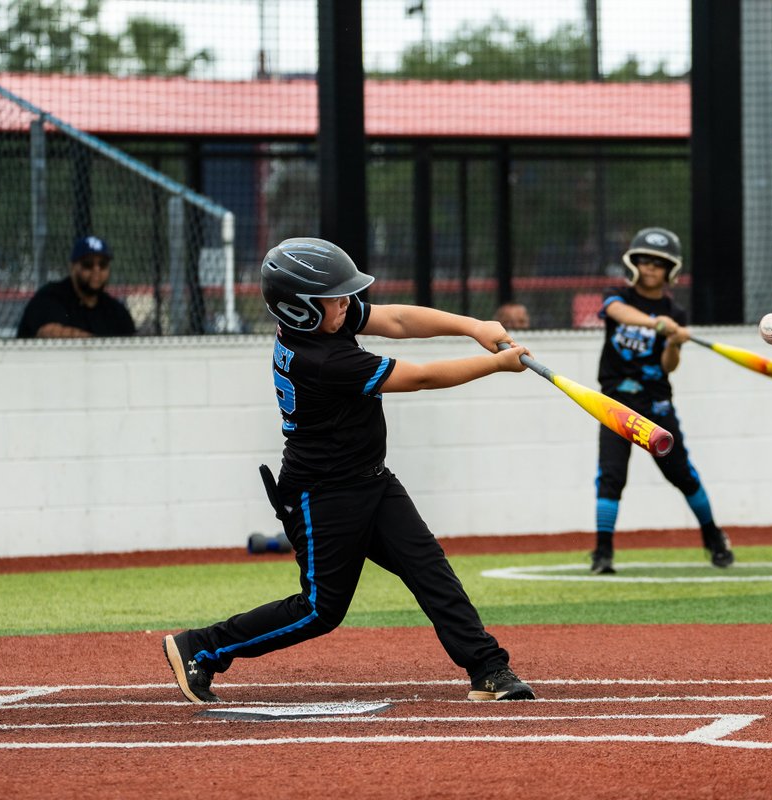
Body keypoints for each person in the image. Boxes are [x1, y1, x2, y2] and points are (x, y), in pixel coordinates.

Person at [163, 237, 536, 704]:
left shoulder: (326, 322)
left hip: (370, 479)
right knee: (321, 610)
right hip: (323, 495)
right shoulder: (321, 358)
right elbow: (418, 378)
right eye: (334, 297)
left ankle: (488, 668)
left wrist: (474, 326)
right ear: (299, 309)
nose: (347, 303)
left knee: (429, 569)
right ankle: (202, 647)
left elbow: (397, 319)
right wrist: (495, 365)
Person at [591, 227, 733, 575]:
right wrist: (658, 324)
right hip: (616, 402)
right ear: (634, 264)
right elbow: (618, 314)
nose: (650, 267)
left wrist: (674, 341)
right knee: (611, 476)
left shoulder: (676, 313)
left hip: (655, 405)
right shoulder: (618, 296)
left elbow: (668, 366)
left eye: (658, 263)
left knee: (682, 475)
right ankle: (602, 552)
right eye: (644, 261)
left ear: (669, 270)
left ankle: (713, 537)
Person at [17, 235, 137, 338]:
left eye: (103, 265)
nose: (96, 270)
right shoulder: (50, 297)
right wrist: (98, 345)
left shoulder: (115, 310)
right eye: (88, 264)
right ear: (73, 267)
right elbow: (49, 332)